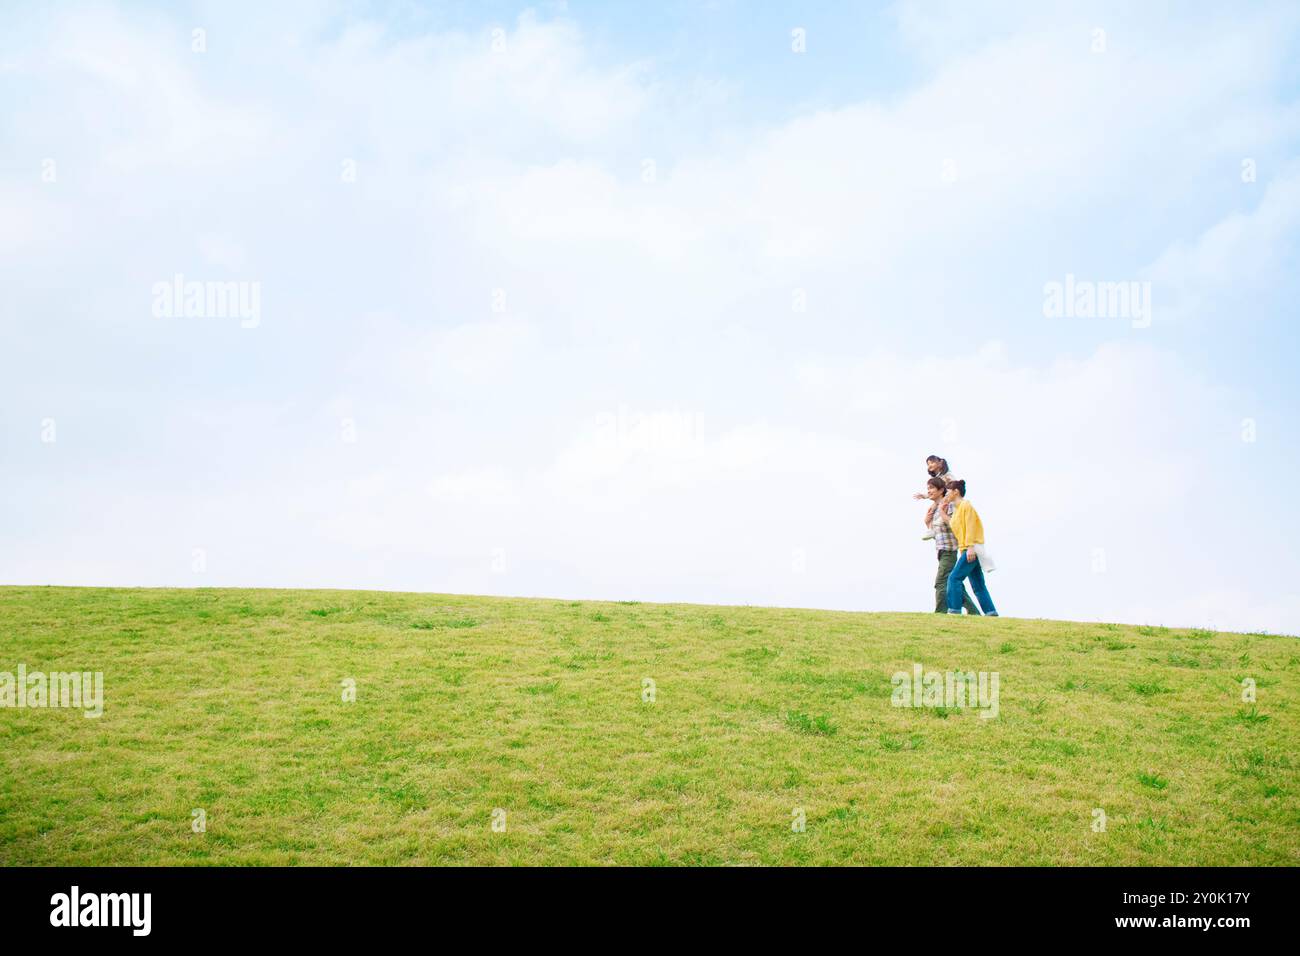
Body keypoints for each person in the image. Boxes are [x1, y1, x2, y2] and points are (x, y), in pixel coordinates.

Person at [924, 476, 980, 614]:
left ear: (941, 490)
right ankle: (974, 613)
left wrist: (942, 513)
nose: (928, 491)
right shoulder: (936, 508)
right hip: (941, 550)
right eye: (928, 488)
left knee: (941, 582)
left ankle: (940, 612)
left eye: (931, 488)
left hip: (950, 550)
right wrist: (927, 522)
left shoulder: (948, 506)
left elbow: (955, 524)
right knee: (954, 584)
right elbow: (936, 532)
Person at [944, 479, 998, 616]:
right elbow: (954, 524)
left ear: (956, 492)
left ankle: (954, 610)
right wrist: (941, 510)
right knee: (978, 585)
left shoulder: (966, 505)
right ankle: (991, 612)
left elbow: (970, 527)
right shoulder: (957, 511)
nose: (946, 495)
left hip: (971, 548)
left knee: (954, 578)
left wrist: (970, 547)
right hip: (966, 548)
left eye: (948, 492)